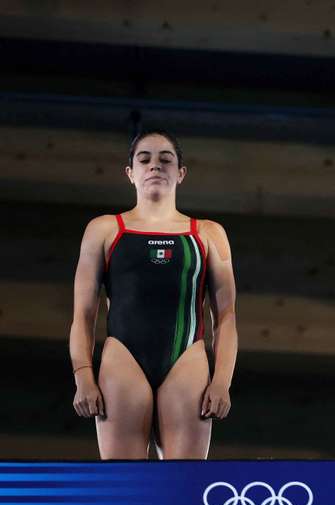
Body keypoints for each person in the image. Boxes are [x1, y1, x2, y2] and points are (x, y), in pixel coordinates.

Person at [69, 130, 237, 459]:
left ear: (181, 173)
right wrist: (83, 377)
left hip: (187, 361)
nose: (154, 166)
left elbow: (227, 316)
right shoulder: (104, 229)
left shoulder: (207, 233)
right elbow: (82, 315)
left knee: (183, 484)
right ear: (130, 173)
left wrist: (222, 382)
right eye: (144, 159)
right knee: (125, 484)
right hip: (123, 360)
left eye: (165, 159)